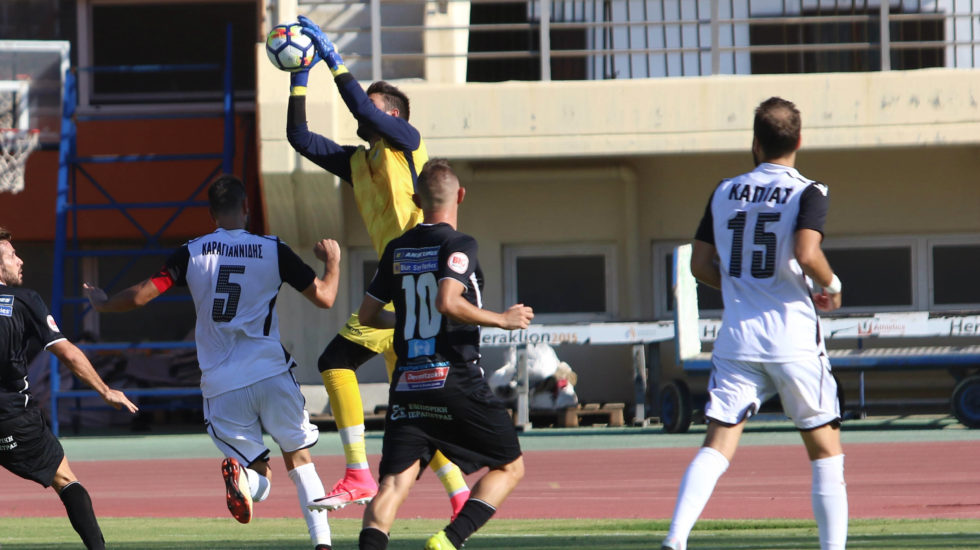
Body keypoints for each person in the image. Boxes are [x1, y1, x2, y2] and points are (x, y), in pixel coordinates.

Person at [83, 175, 339, 550]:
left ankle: (244, 479)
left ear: (211, 215)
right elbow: (325, 297)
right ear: (246, 208)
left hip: (222, 384)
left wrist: (104, 303)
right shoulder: (273, 249)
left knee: (258, 473)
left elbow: (141, 296)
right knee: (300, 461)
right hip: (270, 371)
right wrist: (333, 262)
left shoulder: (192, 253)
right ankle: (323, 544)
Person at [284, 15, 471, 516]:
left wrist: (334, 60)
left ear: (391, 114)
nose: (362, 111)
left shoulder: (407, 141)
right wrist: (300, 76)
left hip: (418, 277)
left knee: (334, 362)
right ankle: (460, 495)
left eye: (372, 104)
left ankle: (357, 473)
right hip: (396, 281)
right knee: (412, 404)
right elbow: (299, 137)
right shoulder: (358, 162)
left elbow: (361, 106)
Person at [661, 97, 847, 550]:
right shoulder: (809, 191)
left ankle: (676, 539)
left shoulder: (724, 190)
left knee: (717, 445)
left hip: (738, 340)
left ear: (755, 143)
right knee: (826, 452)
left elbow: (700, 265)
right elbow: (807, 253)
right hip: (793, 339)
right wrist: (832, 283)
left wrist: (740, 286)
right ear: (798, 140)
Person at [353, 159, 533, 550]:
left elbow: (367, 316)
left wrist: (406, 323)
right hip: (454, 380)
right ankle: (450, 540)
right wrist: (502, 320)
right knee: (510, 465)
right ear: (460, 196)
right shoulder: (459, 244)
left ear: (416, 201)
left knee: (393, 485)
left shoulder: (396, 249)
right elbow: (447, 301)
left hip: (408, 385)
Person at [0, 227, 138, 550]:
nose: (20, 261)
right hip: (13, 418)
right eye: (12, 255)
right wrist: (105, 390)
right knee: (65, 481)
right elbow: (69, 353)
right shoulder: (25, 301)